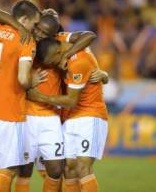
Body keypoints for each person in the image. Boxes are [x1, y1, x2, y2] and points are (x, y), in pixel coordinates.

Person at [0, 9, 107, 192]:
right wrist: (20, 28)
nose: (39, 34)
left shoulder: (62, 43)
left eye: (45, 33)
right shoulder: (25, 36)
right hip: (25, 113)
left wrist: (66, 56)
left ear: (53, 36)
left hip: (55, 114)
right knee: (21, 167)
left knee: (57, 169)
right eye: (38, 29)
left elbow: (89, 35)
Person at [0, 0, 41, 192]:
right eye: (34, 24)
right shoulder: (26, 40)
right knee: (9, 170)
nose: (35, 29)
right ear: (24, 19)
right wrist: (33, 81)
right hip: (10, 110)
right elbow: (22, 79)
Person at [28, 37, 108, 192]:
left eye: (53, 61)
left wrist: (39, 97)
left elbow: (71, 100)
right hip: (70, 118)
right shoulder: (62, 43)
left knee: (82, 167)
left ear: (59, 52)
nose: (54, 66)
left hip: (90, 115)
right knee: (69, 170)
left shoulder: (78, 62)